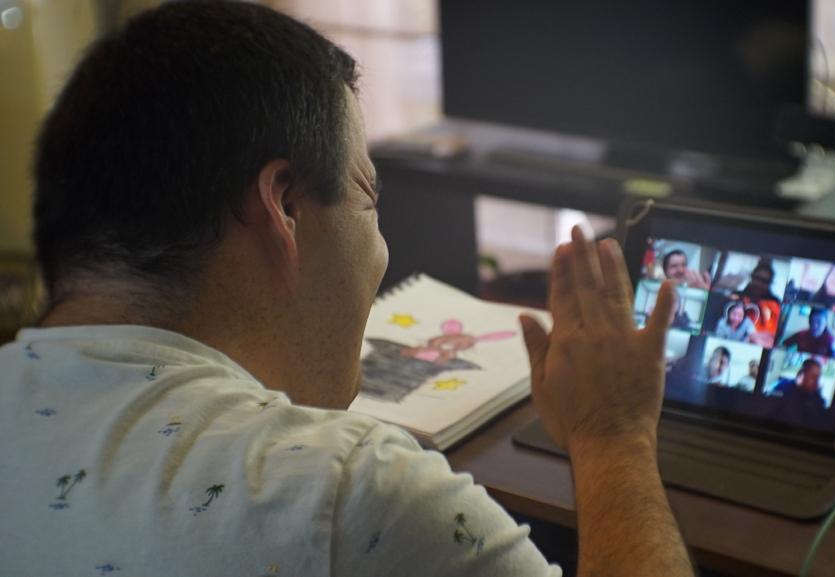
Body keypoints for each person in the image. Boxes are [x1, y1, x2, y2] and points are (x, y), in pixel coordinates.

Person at [0, 3, 694, 576]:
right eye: (369, 198)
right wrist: (612, 435)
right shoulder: (352, 493)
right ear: (285, 207)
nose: (382, 251)